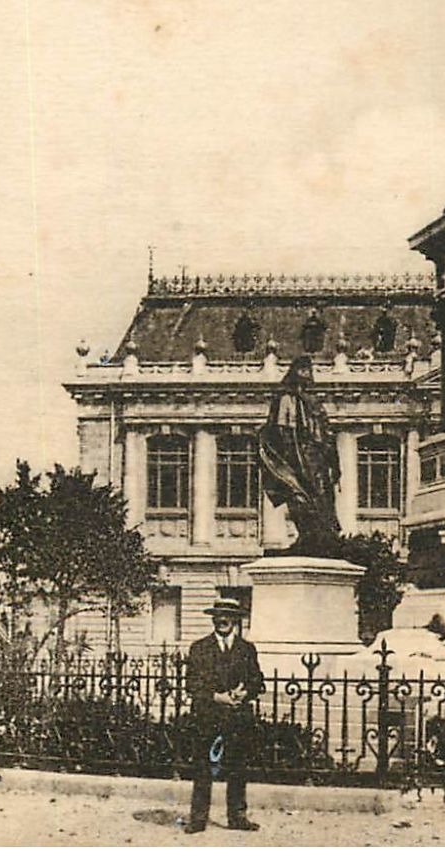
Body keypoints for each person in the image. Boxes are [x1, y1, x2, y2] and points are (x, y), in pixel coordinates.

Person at [184, 598, 266, 834]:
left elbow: (257, 681)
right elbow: (192, 684)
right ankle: (198, 819)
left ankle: (237, 817)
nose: (223, 620)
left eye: (228, 616)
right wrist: (216, 696)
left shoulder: (246, 649)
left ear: (235, 620)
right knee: (203, 768)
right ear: (213, 619)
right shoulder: (199, 648)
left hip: (238, 716)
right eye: (218, 616)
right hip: (207, 716)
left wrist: (244, 693)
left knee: (238, 767)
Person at [257, 355, 342, 554]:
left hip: (315, 456)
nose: (306, 374)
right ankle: (307, 536)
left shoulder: (313, 402)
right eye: (302, 370)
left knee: (322, 497)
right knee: (300, 496)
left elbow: (326, 433)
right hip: (298, 455)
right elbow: (283, 429)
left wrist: (333, 463)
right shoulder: (287, 398)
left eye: (308, 370)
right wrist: (291, 456)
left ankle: (321, 537)